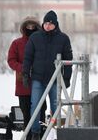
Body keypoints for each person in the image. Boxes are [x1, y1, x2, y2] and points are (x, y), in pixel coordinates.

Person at [23, 11, 72, 140]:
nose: (48, 25)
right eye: (46, 23)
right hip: (38, 78)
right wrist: (25, 74)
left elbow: (68, 60)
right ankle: (35, 133)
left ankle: (57, 132)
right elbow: (28, 57)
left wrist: (67, 78)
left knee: (56, 106)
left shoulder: (63, 38)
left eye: (50, 23)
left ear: (55, 24)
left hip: (55, 79)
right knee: (35, 106)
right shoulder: (35, 37)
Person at [7, 17, 46, 140]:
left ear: (37, 27)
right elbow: (11, 60)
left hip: (40, 81)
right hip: (23, 84)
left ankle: (41, 137)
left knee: (41, 113)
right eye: (28, 26)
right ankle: (28, 137)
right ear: (24, 28)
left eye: (33, 26)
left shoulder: (42, 41)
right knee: (26, 114)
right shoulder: (17, 43)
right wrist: (24, 68)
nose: (30, 28)